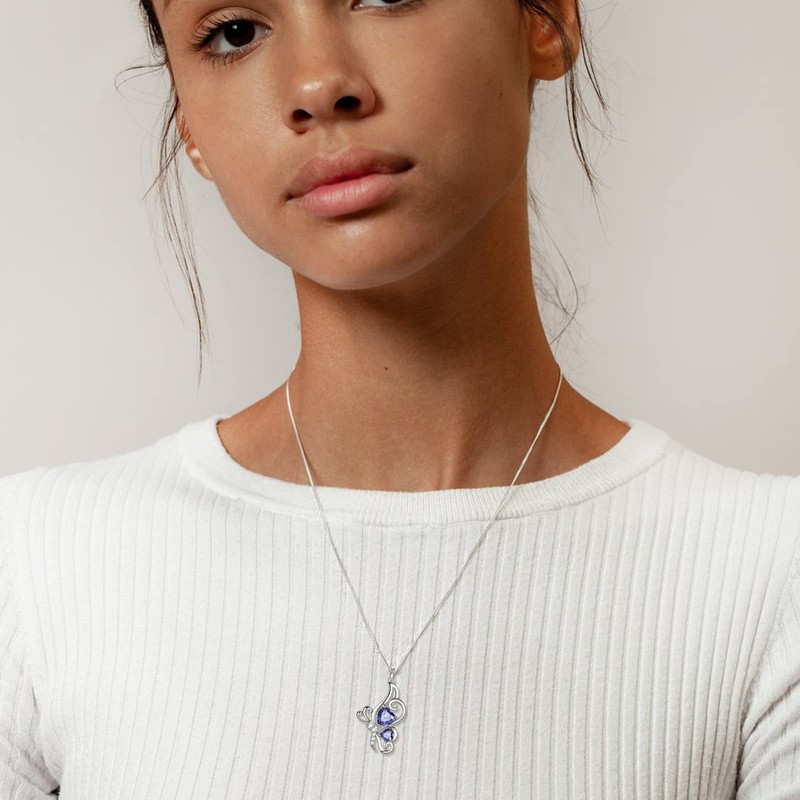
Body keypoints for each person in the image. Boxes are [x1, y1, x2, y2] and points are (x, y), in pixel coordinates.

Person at [1, 0, 798, 797]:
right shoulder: (39, 568)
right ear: (190, 127)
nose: (318, 85)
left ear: (546, 19)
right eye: (234, 32)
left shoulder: (769, 580)